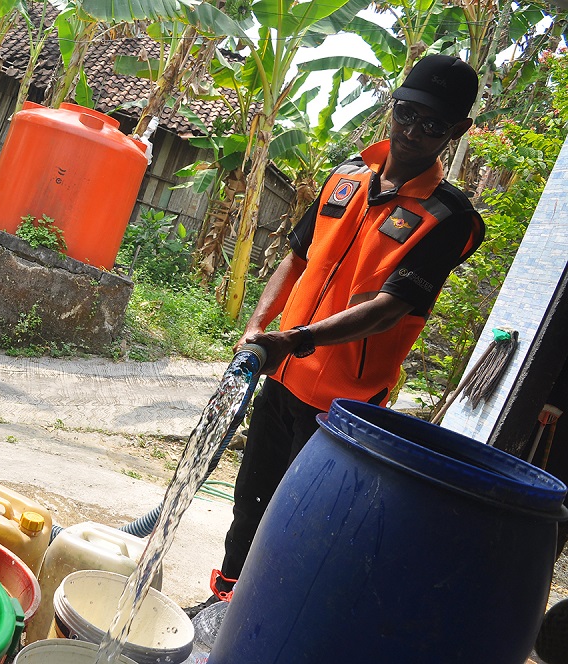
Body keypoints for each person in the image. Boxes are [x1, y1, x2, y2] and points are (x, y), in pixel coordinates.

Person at [184, 54, 486, 618]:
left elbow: (387, 311)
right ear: (392, 107)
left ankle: (270, 620)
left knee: (305, 520)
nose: (415, 131)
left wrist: (295, 339)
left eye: (434, 125)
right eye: (408, 113)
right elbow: (296, 258)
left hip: (345, 406)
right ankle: (223, 605)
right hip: (280, 377)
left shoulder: (449, 218)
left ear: (458, 131)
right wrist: (258, 326)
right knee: (250, 505)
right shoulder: (346, 177)